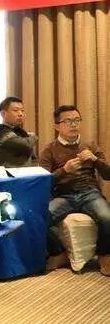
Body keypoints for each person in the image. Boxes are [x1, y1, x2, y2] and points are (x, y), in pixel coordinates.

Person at [38, 105, 110, 275]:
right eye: (68, 121)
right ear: (57, 126)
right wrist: (64, 170)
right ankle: (58, 253)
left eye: (77, 120)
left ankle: (104, 255)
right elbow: (43, 182)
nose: (73, 125)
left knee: (107, 217)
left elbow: (108, 175)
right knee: (39, 218)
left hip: (89, 193)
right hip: (64, 195)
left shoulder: (89, 145)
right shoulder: (49, 150)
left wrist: (95, 160)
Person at [0, 96, 38, 167]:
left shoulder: (20, 131)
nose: (20, 114)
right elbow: (25, 145)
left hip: (25, 172)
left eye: (22, 110)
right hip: (5, 173)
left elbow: (32, 157)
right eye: (16, 110)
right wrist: (33, 137)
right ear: (3, 114)